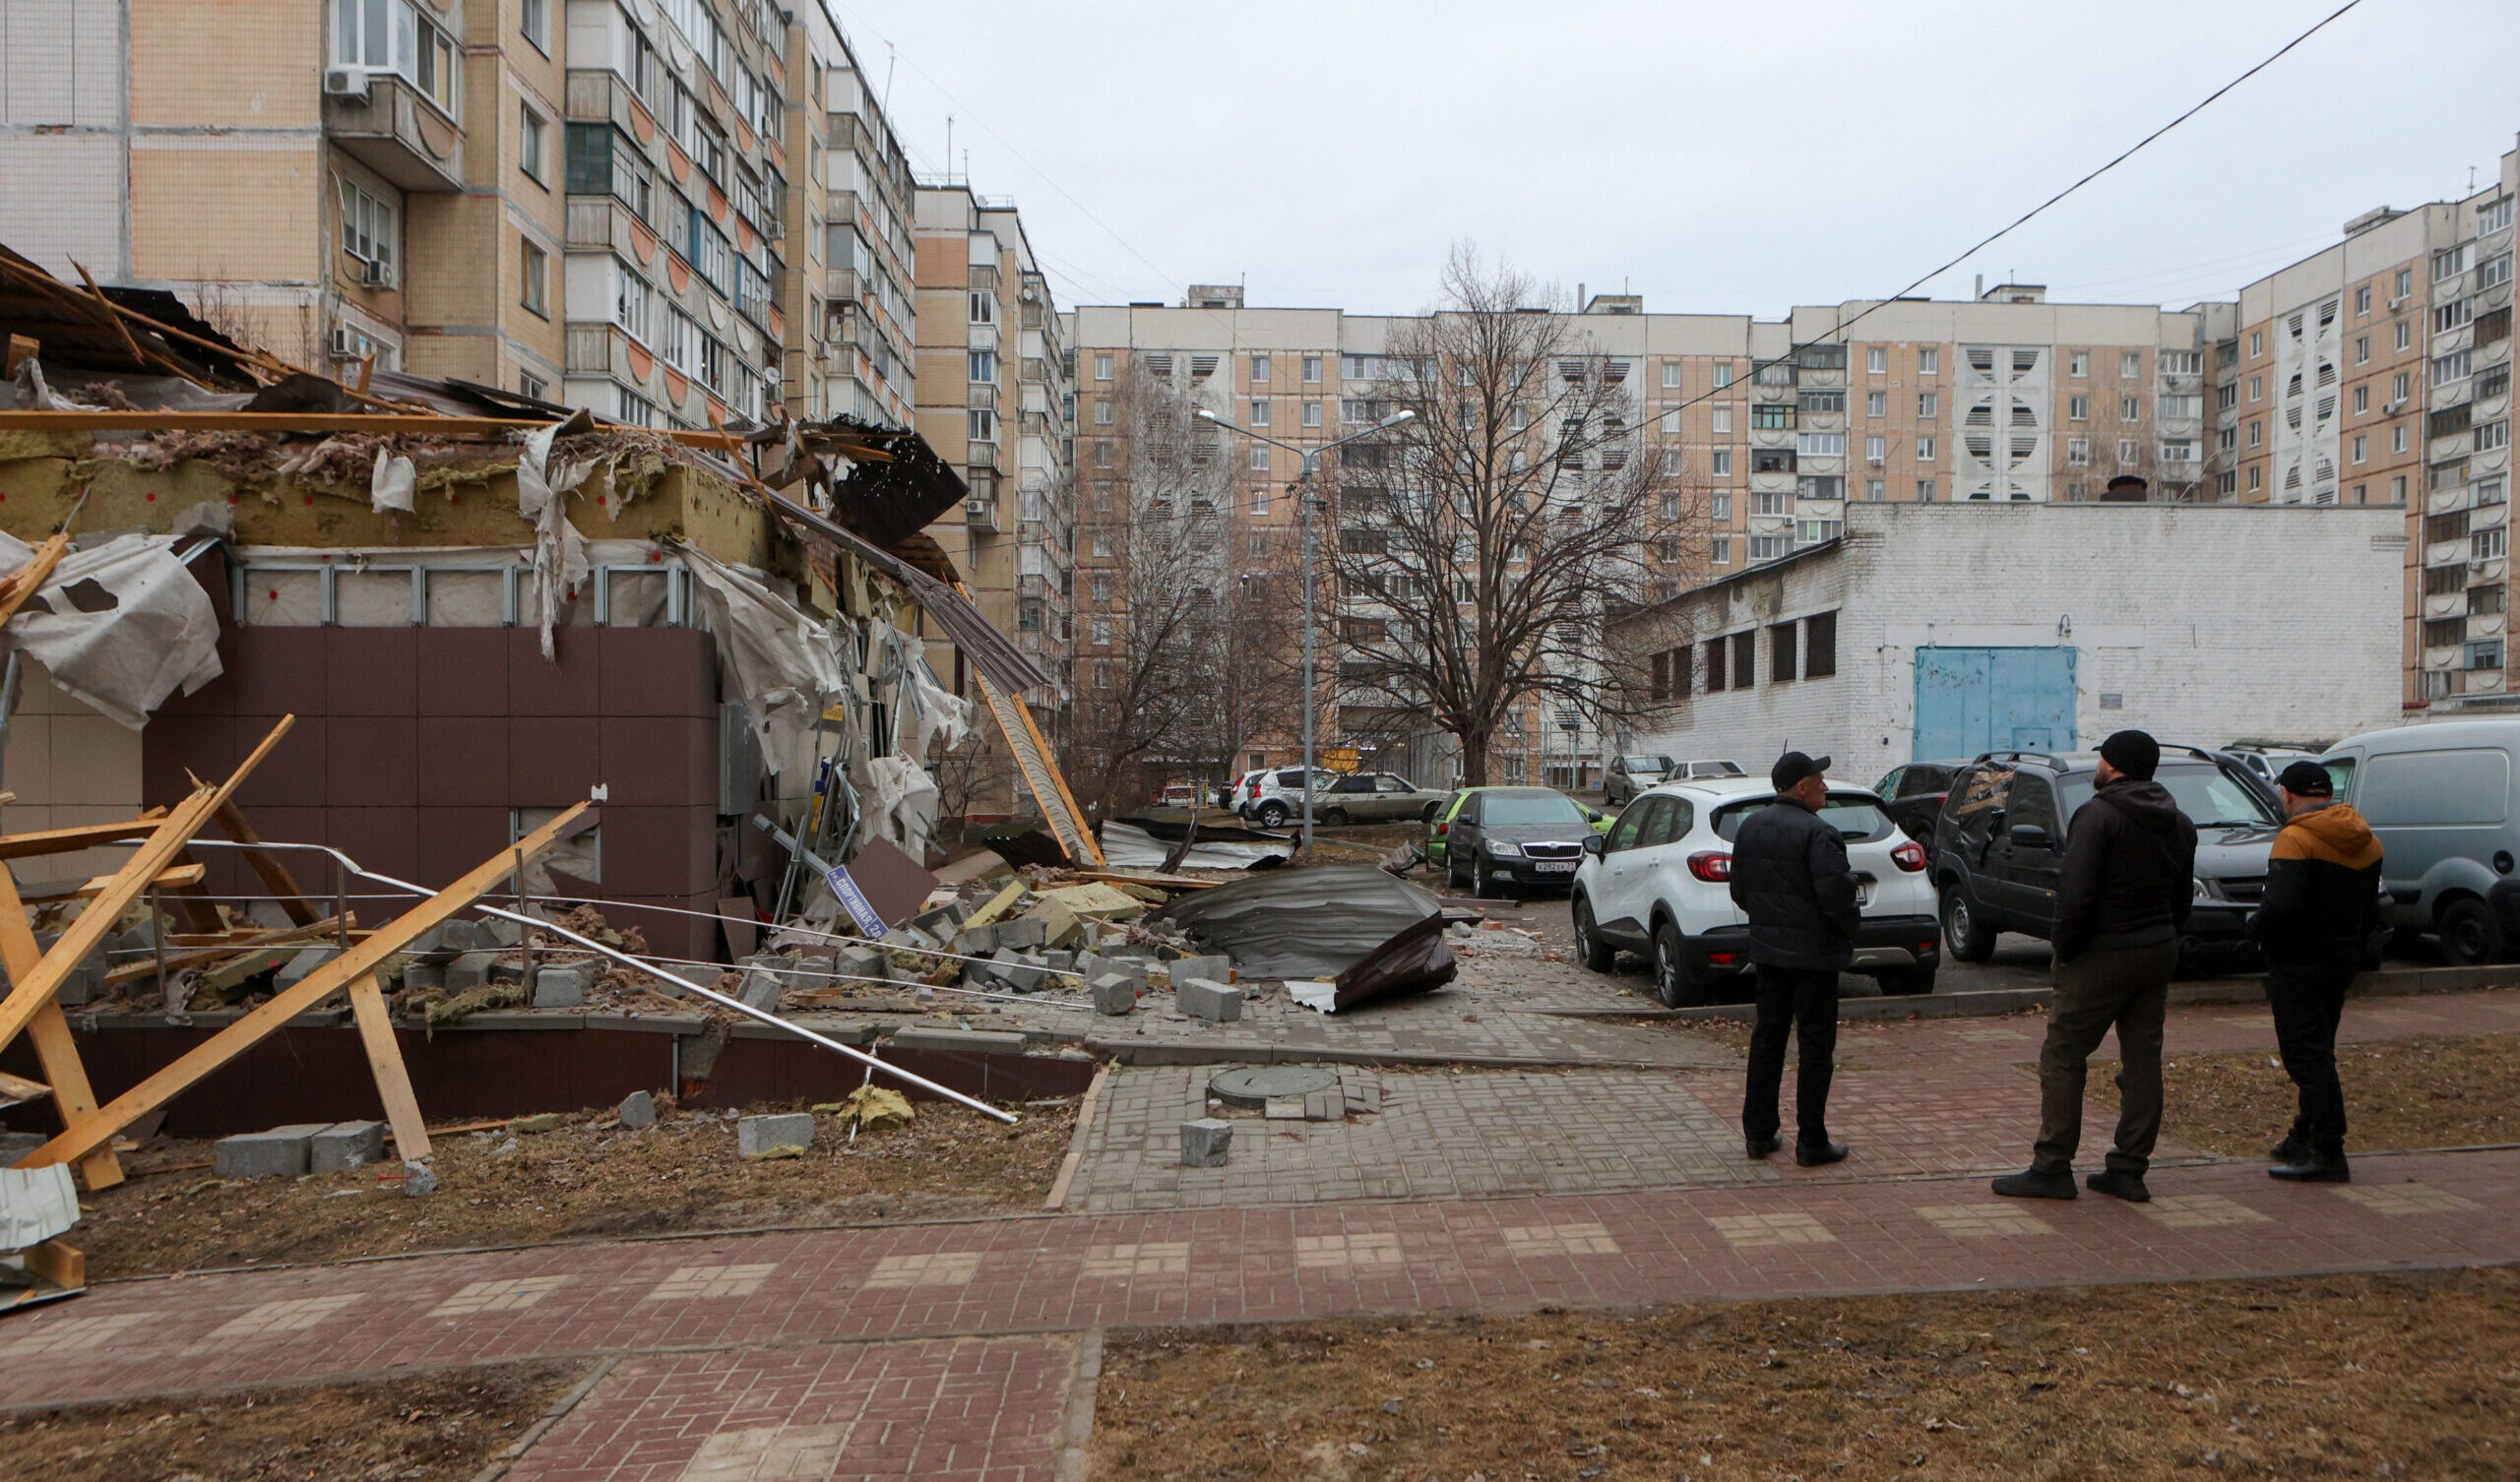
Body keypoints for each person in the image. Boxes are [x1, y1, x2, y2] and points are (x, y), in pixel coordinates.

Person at [1993, 729, 2197, 1202]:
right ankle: (2128, 1169)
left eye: (2102, 758)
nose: (2098, 766)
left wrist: (2065, 947)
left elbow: (2076, 892)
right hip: (2157, 947)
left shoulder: (2098, 814)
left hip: (2102, 952)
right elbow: (2181, 895)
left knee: (2063, 1055)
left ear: (2115, 764)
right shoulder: (2179, 820)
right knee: (2143, 1059)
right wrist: (2166, 934)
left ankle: (2051, 1166)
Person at [2246, 760, 2382, 1183]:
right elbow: (2370, 910)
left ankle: (2327, 1149)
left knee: (2306, 1057)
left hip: (2297, 961)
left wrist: (2253, 926)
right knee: (2319, 1049)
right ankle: (2302, 1136)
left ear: (2286, 794)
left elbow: (2281, 906)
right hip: (2341, 960)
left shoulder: (2296, 838)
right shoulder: (2366, 838)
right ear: (2327, 794)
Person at [1731, 750, 1860, 1166]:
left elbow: (1740, 892)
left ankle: (1759, 1133)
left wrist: (1771, 922)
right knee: (1815, 1048)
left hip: (1769, 956)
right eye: (1818, 780)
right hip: (1814, 961)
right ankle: (1812, 1141)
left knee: (1768, 1042)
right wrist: (1847, 934)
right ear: (1801, 788)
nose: (1825, 786)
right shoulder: (1819, 833)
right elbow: (1837, 897)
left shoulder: (1750, 827)